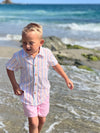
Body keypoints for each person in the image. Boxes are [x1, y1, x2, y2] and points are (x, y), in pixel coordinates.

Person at [6, 23, 74, 133]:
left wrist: (66, 78)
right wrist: (15, 85)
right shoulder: (19, 56)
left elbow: (56, 66)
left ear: (40, 43)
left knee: (42, 120)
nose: (27, 46)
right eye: (24, 43)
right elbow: (9, 68)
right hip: (27, 94)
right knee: (33, 123)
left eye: (31, 43)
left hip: (43, 93)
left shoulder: (46, 53)